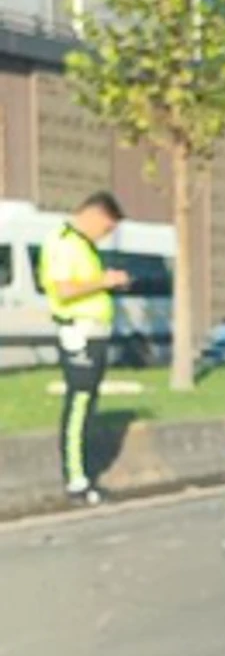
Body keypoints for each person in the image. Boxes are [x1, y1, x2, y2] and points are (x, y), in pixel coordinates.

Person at [39, 191, 130, 506]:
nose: (105, 236)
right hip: (78, 334)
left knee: (87, 405)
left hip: (93, 335)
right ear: (95, 216)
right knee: (78, 405)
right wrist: (104, 281)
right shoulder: (65, 242)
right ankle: (76, 480)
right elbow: (64, 290)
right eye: (106, 229)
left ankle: (83, 474)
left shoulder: (83, 246)